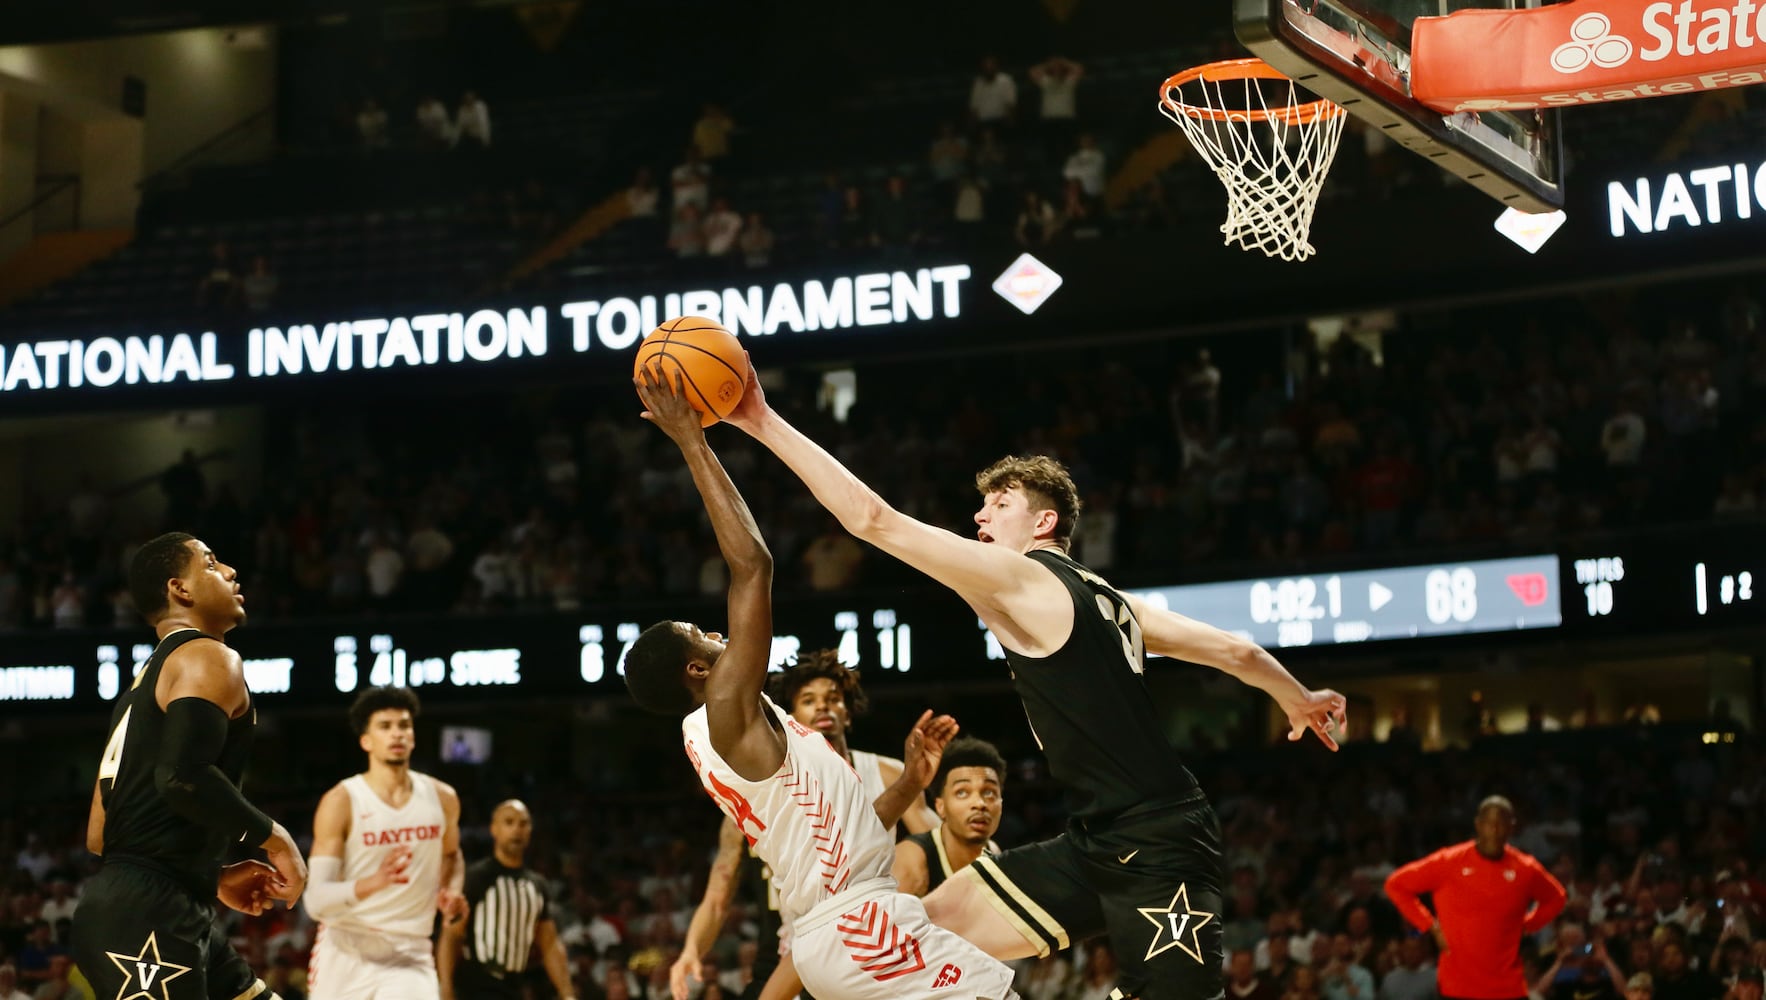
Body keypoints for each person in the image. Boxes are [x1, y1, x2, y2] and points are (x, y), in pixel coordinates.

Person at [719, 356, 1346, 998]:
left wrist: (761, 420)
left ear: (1043, 524)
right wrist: (1298, 699)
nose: (981, 520)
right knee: (922, 930)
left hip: (1159, 847)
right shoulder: (1115, 601)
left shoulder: (1022, 578)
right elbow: (1238, 653)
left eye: (1000, 505)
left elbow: (873, 520)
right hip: (1096, 839)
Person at [622, 366, 1019, 1000]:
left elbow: (841, 832)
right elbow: (752, 566)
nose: (718, 634)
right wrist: (692, 441)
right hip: (858, 925)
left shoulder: (735, 728)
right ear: (696, 672)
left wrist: (912, 784)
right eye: (703, 632)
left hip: (843, 925)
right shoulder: (723, 709)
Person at [71, 532, 308, 1000]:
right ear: (180, 589)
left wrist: (210, 875)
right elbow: (183, 777)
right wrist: (275, 838)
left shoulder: (139, 690)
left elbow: (101, 833)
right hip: (149, 914)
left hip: (154, 903)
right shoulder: (207, 655)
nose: (230, 571)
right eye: (212, 563)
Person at [672, 650, 942, 1000]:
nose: (823, 707)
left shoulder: (887, 772)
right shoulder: (763, 788)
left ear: (848, 711)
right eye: (809, 700)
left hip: (877, 925)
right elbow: (716, 899)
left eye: (833, 699)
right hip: (798, 938)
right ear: (792, 715)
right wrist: (691, 949)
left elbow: (935, 845)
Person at [302, 686, 467, 1000]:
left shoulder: (443, 798)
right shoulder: (341, 800)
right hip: (347, 945)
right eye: (385, 726)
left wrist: (453, 890)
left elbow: (452, 854)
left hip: (410, 948)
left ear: (414, 737)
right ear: (366, 741)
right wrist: (374, 882)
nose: (398, 734)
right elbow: (317, 900)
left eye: (404, 725)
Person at [1385, 796, 1567, 1000]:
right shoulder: (1449, 862)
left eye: (1501, 824)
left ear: (1511, 827)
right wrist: (1431, 926)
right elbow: (1395, 884)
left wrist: (1528, 925)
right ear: (1478, 825)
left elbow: (1556, 898)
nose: (1495, 831)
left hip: (1507, 988)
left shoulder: (1526, 868)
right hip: (1457, 988)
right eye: (1489, 823)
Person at [439, 800, 575, 1000]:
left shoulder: (537, 885)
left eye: (523, 823)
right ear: (494, 829)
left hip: (515, 987)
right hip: (476, 986)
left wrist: (567, 993)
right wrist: (446, 990)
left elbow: (550, 944)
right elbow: (452, 936)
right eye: (509, 822)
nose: (517, 830)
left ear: (530, 830)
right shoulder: (476, 878)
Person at [893, 737, 1007, 897]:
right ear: (940, 807)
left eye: (989, 792)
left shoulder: (992, 850)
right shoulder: (911, 862)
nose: (979, 803)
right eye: (962, 792)